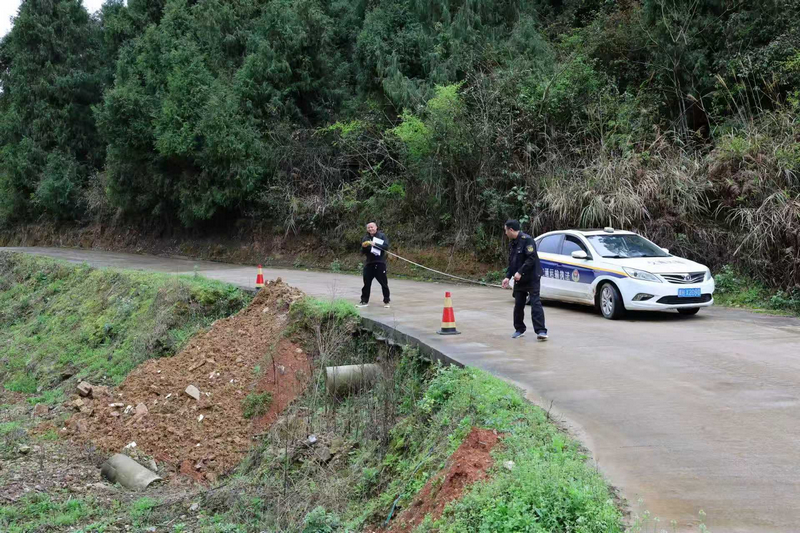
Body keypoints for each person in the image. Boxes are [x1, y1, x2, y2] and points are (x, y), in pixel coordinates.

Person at [501, 219, 548, 340]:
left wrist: (520, 272)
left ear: (511, 230)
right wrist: (507, 276)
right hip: (519, 279)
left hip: (532, 277)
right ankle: (519, 329)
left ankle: (541, 331)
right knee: (518, 305)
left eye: (506, 230)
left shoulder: (527, 240)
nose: (505, 233)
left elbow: (531, 259)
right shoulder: (513, 243)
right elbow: (512, 263)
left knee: (535, 303)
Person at [357, 222, 391, 308]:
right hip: (369, 263)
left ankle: (386, 301)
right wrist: (364, 247)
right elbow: (362, 252)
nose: (370, 229)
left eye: (372, 227)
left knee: (383, 283)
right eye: (368, 228)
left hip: (379, 263)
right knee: (366, 283)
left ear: (376, 227)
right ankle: (364, 301)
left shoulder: (382, 236)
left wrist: (374, 244)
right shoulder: (365, 238)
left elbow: (386, 247)